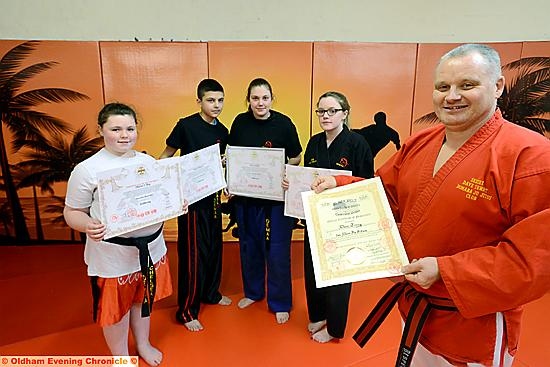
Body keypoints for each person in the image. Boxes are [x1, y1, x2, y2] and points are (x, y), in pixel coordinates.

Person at [311, 44, 550, 366]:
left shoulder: (531, 155)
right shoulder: (420, 142)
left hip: (471, 321)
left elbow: (532, 261)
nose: (451, 96)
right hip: (413, 306)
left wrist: (447, 271)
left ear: (497, 86)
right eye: (442, 87)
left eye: (467, 85)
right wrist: (340, 188)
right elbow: (384, 196)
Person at [64, 103, 181, 367]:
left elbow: (161, 197)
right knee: (116, 310)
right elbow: (72, 212)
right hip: (112, 255)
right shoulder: (87, 169)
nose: (124, 135)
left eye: (130, 128)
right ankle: (120, 357)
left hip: (151, 249)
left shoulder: (146, 162)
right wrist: (87, 224)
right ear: (101, 130)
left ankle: (143, 343)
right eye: (115, 129)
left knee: (143, 300)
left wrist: (176, 203)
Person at [300, 91, 374, 343]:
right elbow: (307, 177)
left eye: (332, 110)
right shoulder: (314, 142)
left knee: (339, 274)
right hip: (316, 216)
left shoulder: (357, 144)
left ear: (345, 113)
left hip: (343, 219)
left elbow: (367, 184)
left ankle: (334, 328)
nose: (326, 116)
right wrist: (292, 182)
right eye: (321, 111)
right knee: (313, 269)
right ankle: (319, 315)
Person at [228, 77, 302, 324]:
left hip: (275, 198)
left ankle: (280, 302)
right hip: (247, 197)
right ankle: (253, 292)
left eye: (265, 98)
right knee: (249, 245)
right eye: (255, 98)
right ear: (248, 100)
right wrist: (231, 182)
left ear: (272, 99)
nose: (260, 103)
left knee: (277, 250)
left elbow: (296, 157)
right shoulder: (239, 122)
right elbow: (234, 157)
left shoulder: (284, 124)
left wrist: (282, 173)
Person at [159, 78, 231, 332]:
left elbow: (223, 164)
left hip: (212, 199)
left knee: (213, 249)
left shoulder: (223, 131)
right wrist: (165, 186)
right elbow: (166, 157)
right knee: (193, 255)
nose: (217, 105)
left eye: (221, 100)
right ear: (199, 101)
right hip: (189, 202)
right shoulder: (186, 126)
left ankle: (211, 293)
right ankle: (187, 311)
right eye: (211, 100)